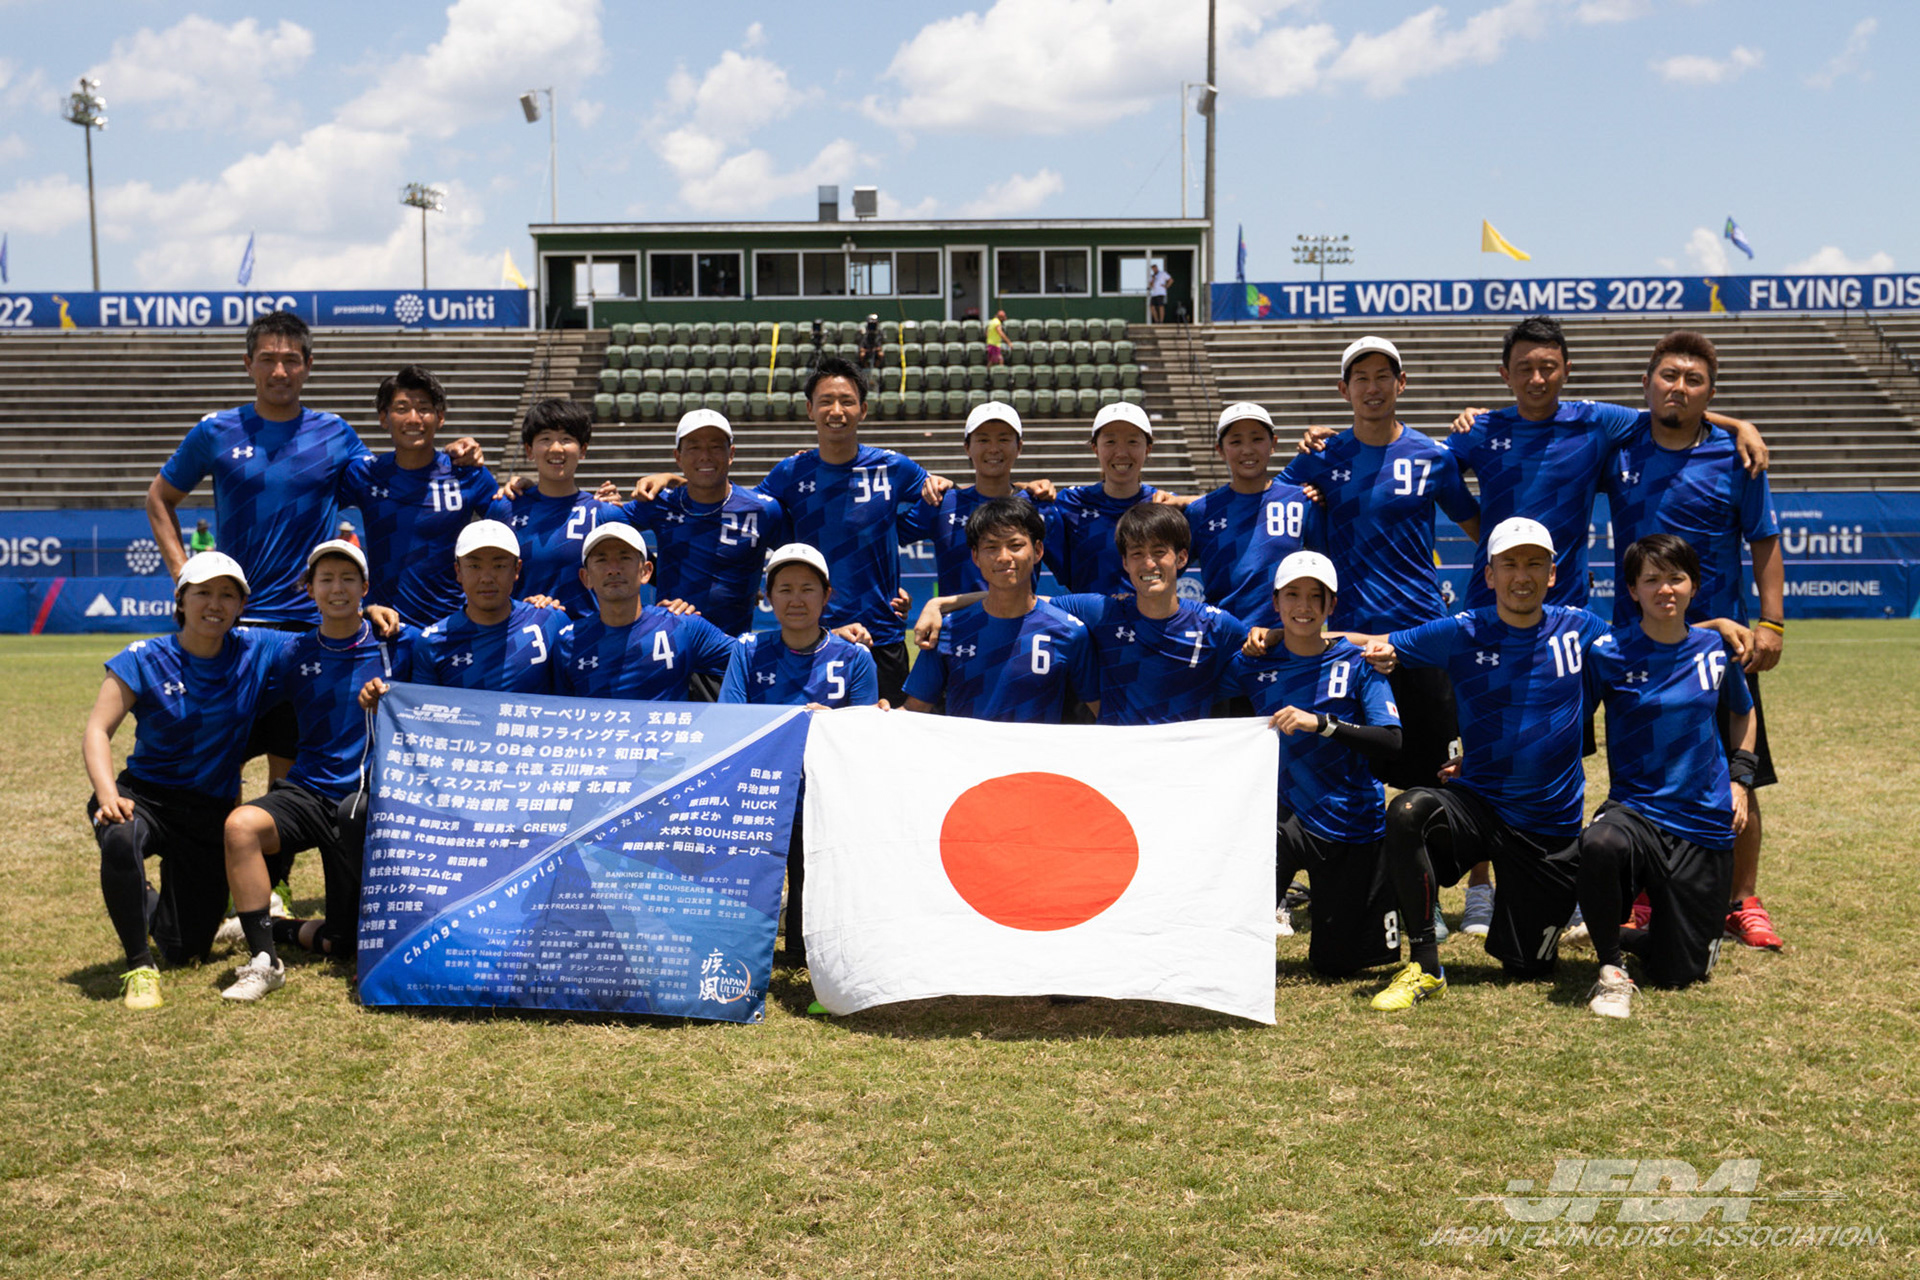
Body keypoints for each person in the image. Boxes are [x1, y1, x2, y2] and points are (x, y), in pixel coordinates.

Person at [1280, 337, 1483, 932]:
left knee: (1437, 777)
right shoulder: (1322, 455)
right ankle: (1360, 892)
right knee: (1350, 773)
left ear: (1402, 383)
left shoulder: (1432, 456)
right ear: (1344, 390)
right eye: (1360, 377)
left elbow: (1481, 531)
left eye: (1383, 376)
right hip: (1347, 643)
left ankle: (1449, 897)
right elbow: (1266, 505)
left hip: (1419, 639)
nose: (1372, 387)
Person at [1601, 330, 1786, 951]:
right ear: (1646, 382)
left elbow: (1763, 539)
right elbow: (1551, 419)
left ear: (1710, 392)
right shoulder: (1620, 445)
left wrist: (1771, 622)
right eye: (1668, 376)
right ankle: (1647, 894)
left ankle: (1742, 900)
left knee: (1740, 771)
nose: (1678, 388)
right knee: (1642, 772)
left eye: (1694, 380)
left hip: (1722, 644)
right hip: (1638, 647)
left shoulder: (1737, 457)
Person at [80, 553, 297, 1009]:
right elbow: (98, 730)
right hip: (144, 797)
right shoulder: (143, 657)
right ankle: (139, 966)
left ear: (242, 606)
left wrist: (373, 616)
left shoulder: (256, 648)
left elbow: (327, 640)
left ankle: (142, 895)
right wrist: (107, 794)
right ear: (180, 599)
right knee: (120, 837)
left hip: (207, 814)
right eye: (203, 593)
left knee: (186, 951)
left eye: (227, 595)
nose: (214, 604)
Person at [219, 539, 417, 1000]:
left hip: (366, 803)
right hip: (308, 793)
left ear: (366, 587)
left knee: (342, 944)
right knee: (241, 827)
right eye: (326, 579)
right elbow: (230, 650)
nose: (337, 588)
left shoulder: (400, 643)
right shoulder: (292, 652)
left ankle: (279, 927)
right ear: (309, 589)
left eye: (348, 578)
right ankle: (264, 959)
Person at [1578, 534, 1756, 1019]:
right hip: (1636, 811)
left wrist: (1740, 780)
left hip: (1703, 820)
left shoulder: (1715, 649)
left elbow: (1743, 712)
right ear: (1632, 590)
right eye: (1651, 579)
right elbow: (1569, 721)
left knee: (1680, 973)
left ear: (1693, 585)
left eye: (1676, 578)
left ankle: (1620, 933)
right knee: (1599, 843)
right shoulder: (1607, 652)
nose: (1665, 589)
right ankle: (1611, 968)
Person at [1220, 552, 1403, 969]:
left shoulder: (1359, 663)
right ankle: (1256, 915)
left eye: (1314, 596)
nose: (1303, 606)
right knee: (1231, 949)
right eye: (1292, 595)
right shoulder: (1253, 663)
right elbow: (1198, 691)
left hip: (1348, 818)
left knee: (1336, 966)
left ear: (1330, 604)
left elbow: (1391, 740)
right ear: (1275, 602)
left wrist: (1321, 723)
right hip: (1281, 815)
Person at [719, 542, 881, 967]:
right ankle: (746, 948)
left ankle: (802, 949)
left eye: (807, 589)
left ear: (827, 596)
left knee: (814, 878)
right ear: (768, 597)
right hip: (762, 792)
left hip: (823, 796)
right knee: (752, 879)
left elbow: (865, 732)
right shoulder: (747, 650)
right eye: (785, 589)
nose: (796, 599)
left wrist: (834, 723)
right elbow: (730, 720)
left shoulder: (855, 657)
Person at [753, 357, 932, 704]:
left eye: (847, 401)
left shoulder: (893, 467)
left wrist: (1021, 488)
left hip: (881, 636)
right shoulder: (790, 472)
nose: (836, 411)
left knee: (886, 733)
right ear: (810, 409)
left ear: (862, 410)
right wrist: (675, 480)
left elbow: (945, 497)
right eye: (826, 401)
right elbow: (739, 510)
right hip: (813, 638)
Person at [619, 410, 789, 688]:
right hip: (667, 661)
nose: (705, 456)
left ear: (731, 453)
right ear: (678, 456)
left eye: (715, 447)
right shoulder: (659, 504)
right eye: (694, 447)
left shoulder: (763, 510)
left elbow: (803, 563)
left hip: (731, 665)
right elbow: (600, 530)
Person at [902, 497, 1098, 723]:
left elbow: (1102, 714)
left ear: (1037, 550)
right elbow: (913, 710)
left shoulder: (1071, 633)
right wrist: (876, 715)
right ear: (975, 556)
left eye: (1015, 546)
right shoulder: (948, 631)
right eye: (991, 547)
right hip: (967, 748)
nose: (1004, 557)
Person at [337, 365, 497, 628]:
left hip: (452, 629)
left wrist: (519, 484)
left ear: (440, 417)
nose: (413, 418)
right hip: (385, 627)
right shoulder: (365, 475)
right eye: (401, 409)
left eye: (423, 409)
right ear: (384, 418)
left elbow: (517, 525)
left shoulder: (468, 474)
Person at [553, 524, 737, 700]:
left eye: (625, 558)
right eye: (601, 560)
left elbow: (749, 657)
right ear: (586, 578)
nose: (613, 569)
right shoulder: (569, 641)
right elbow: (556, 707)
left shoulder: (682, 627)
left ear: (646, 572)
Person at [1184, 402, 1323, 627]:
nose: (1247, 450)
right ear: (1220, 450)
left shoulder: (1301, 501)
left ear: (1273, 444)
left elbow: (1328, 562)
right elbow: (1170, 570)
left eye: (1257, 439)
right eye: (1236, 441)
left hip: (1285, 638)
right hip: (1223, 638)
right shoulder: (1201, 511)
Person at [390, 521, 565, 694]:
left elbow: (571, 700)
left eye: (499, 566)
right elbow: (424, 709)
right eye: (474, 566)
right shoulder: (433, 642)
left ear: (516, 569)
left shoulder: (550, 621)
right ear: (458, 571)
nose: (486, 578)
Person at [897, 401, 1052, 596]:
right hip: (955, 617)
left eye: (1003, 439)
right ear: (967, 448)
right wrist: (889, 591)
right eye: (983, 440)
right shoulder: (942, 504)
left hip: (1021, 617)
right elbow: (881, 535)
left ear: (1019, 447)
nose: (993, 448)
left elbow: (1075, 567)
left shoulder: (1038, 507)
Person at [487, 398, 617, 620]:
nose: (556, 448)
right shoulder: (505, 509)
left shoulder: (603, 512)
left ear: (583, 450)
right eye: (545, 439)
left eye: (566, 439)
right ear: (529, 450)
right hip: (520, 634)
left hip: (585, 636)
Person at [1043, 401, 1163, 597]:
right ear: (1095, 448)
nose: (1121, 453)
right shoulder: (1069, 503)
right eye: (1110, 442)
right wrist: (1026, 488)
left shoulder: (1165, 507)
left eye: (1132, 442)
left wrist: (1188, 500)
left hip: (1149, 617)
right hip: (1088, 616)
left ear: (1148, 448)